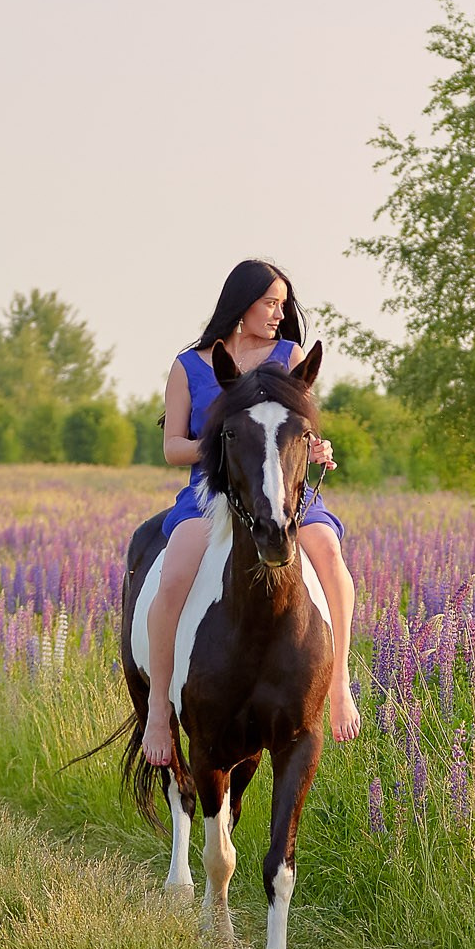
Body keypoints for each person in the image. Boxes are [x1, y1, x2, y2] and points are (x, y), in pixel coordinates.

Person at [141, 259, 361, 766]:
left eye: (284, 306)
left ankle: (340, 683)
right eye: (270, 304)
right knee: (173, 574)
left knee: (329, 553)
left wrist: (313, 447)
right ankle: (158, 710)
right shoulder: (189, 365)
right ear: (241, 304)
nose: (279, 315)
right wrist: (232, 447)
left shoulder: (290, 356)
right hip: (213, 490)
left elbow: (298, 430)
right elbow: (173, 446)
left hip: (283, 490)